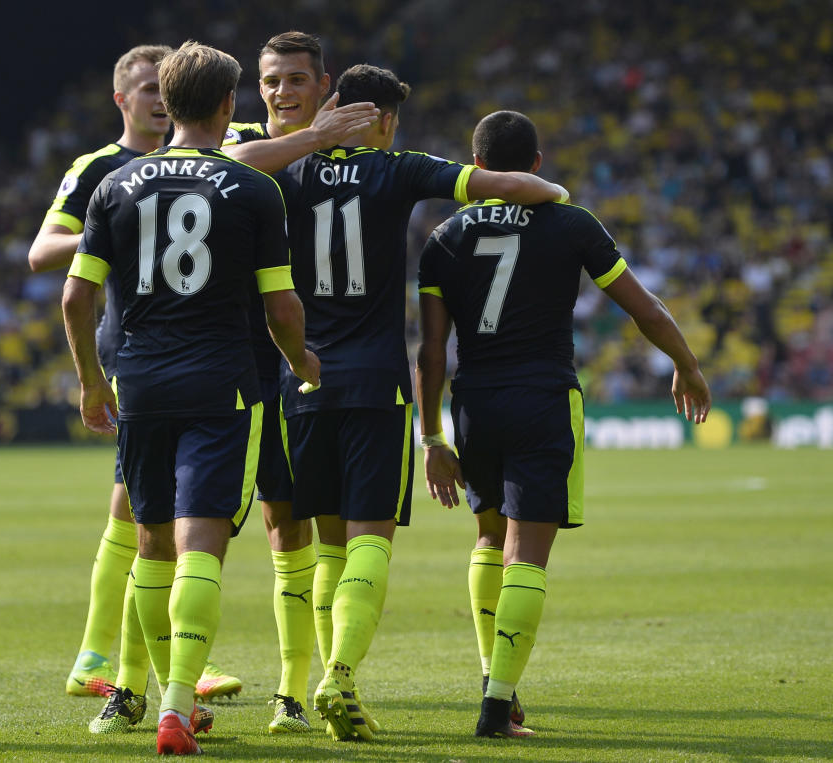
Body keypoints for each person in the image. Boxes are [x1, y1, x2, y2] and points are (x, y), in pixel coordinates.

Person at [274, 66, 569, 742]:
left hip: (305, 378)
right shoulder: (398, 169)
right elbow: (501, 185)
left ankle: (327, 674)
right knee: (369, 536)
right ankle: (340, 673)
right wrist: (553, 188)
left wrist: (305, 138)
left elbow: (230, 166)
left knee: (326, 548)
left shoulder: (284, 174)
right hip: (375, 380)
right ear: (378, 119)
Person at [414, 110, 712, 738]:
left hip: (475, 402)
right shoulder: (572, 223)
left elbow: (431, 351)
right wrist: (686, 364)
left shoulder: (444, 236)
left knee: (489, 541)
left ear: (476, 165)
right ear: (538, 165)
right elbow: (644, 308)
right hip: (543, 398)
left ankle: (497, 678)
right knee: (528, 555)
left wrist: (432, 435)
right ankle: (496, 708)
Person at [62, 40, 320, 756]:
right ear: (229, 106)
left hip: (139, 381)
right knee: (201, 543)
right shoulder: (253, 188)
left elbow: (76, 295)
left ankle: (131, 689)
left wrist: (89, 379)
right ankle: (177, 704)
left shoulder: (116, 184)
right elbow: (283, 306)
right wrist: (301, 360)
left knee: (149, 547)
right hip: (222, 384)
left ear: (165, 105)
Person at [27, 44, 238, 730]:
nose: (153, 97)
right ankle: (120, 660)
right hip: (137, 360)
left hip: (164, 361)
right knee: (147, 519)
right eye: (143, 87)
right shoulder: (101, 170)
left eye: (161, 88)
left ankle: (121, 661)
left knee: (139, 517)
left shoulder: (206, 161)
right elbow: (41, 251)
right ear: (122, 99)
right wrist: (107, 228)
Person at [221, 31, 380, 735]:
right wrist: (311, 138)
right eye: (270, 79)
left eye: (294, 79)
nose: (280, 91)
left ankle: (326, 676)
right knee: (283, 531)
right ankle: (288, 689)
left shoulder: (352, 160)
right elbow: (235, 161)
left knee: (331, 535)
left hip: (329, 367)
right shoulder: (252, 143)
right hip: (257, 369)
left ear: (323, 85)